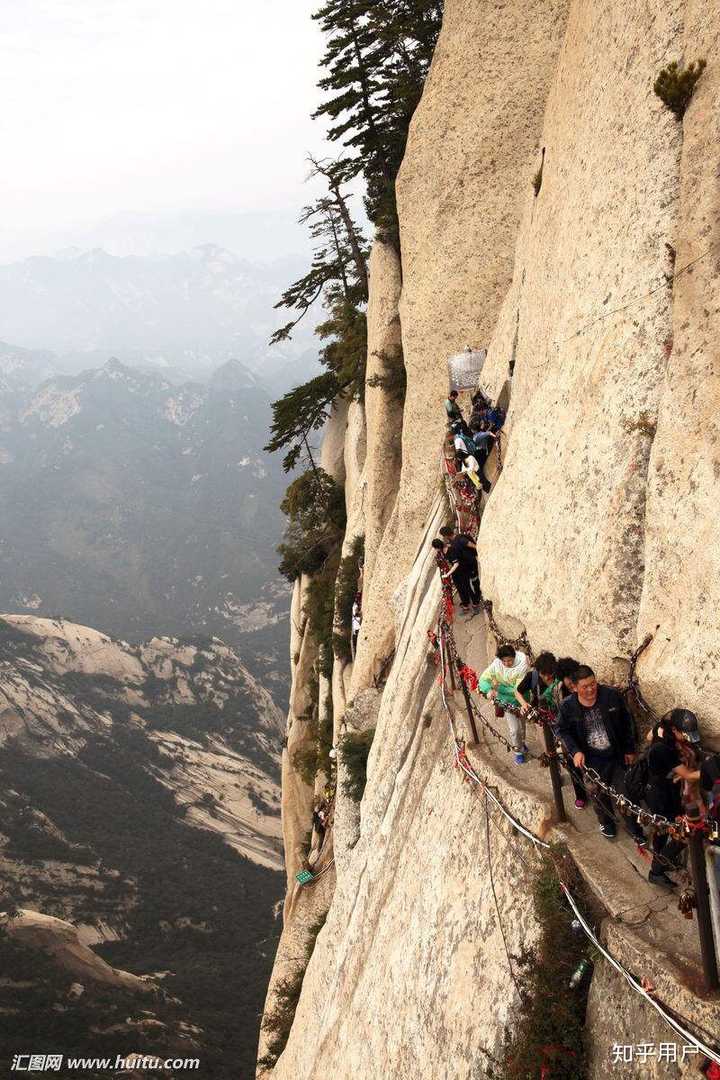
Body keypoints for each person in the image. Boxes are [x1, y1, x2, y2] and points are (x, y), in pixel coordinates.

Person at [557, 665, 644, 841]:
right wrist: (575, 751)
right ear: (574, 688)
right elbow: (563, 730)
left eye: (593, 684)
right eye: (585, 687)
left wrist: (629, 749)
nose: (590, 689)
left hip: (616, 755)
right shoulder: (568, 707)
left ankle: (634, 828)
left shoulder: (611, 696)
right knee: (597, 794)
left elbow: (627, 722)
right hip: (591, 759)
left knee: (625, 793)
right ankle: (607, 822)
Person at [479, 644, 530, 764]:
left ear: (514, 657)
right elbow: (483, 679)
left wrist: (499, 688)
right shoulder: (497, 664)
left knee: (522, 726)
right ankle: (518, 751)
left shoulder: (522, 665)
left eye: (509, 660)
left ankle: (521, 744)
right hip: (507, 703)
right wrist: (488, 689)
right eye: (504, 661)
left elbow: (517, 690)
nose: (507, 663)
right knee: (514, 730)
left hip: (522, 701)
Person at [555, 657, 587, 808]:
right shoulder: (560, 690)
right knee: (573, 765)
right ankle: (580, 795)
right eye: (568, 679)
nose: (571, 683)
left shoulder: (583, 684)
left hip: (586, 729)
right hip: (571, 732)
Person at [439, 525, 481, 614]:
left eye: (443, 536)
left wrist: (478, 558)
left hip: (471, 565)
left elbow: (475, 546)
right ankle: (475, 601)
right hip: (466, 566)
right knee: (469, 585)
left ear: (446, 535)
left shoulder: (461, 540)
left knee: (473, 583)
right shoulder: (454, 541)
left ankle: (476, 603)